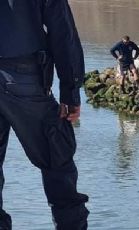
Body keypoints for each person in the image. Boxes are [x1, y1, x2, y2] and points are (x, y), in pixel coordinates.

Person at [0, 0, 89, 229]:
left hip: (21, 73)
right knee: (56, 156)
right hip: (23, 76)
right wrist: (70, 91)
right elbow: (61, 29)